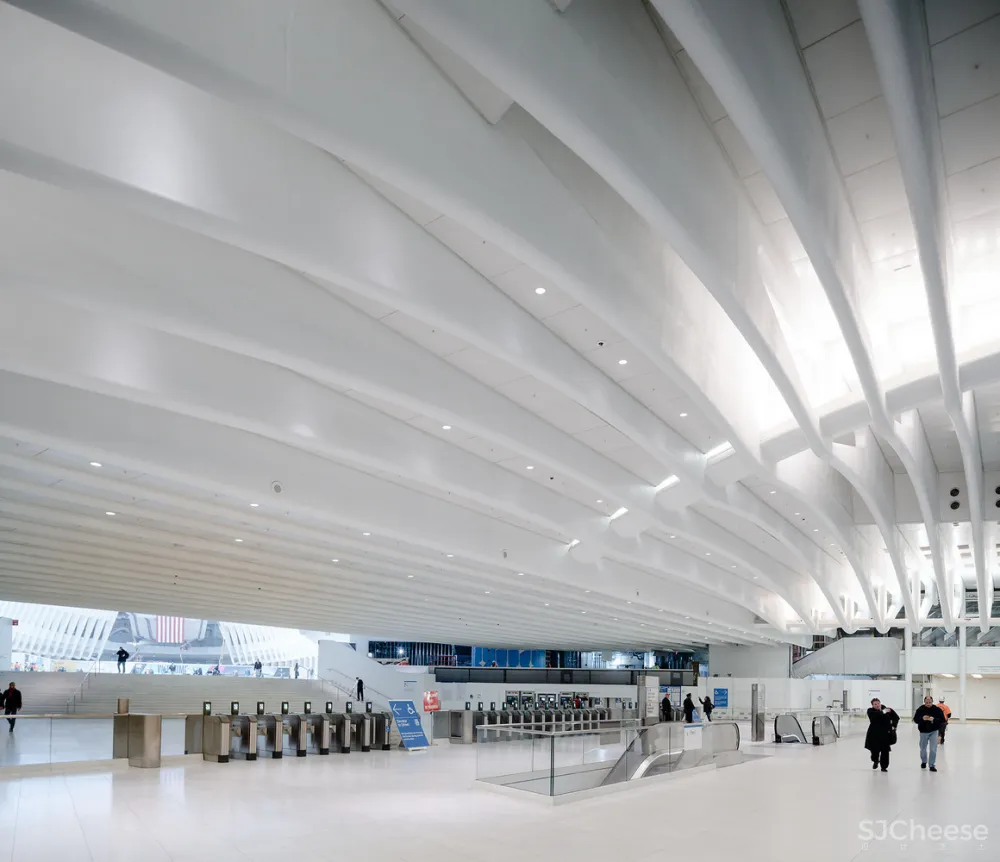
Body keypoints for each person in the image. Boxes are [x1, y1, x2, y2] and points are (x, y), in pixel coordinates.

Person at [865, 698, 898, 772]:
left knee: (885, 751)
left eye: (878, 703)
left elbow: (896, 718)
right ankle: (875, 760)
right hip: (874, 735)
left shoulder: (888, 710)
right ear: (872, 705)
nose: (877, 705)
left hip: (885, 734)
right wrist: (883, 712)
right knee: (874, 751)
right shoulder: (870, 711)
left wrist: (894, 726)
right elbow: (873, 717)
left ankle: (884, 766)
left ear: (880, 703)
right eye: (875, 704)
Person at [913, 695, 945, 771]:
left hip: (934, 731)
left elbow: (942, 720)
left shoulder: (937, 710)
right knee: (923, 748)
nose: (928, 704)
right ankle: (924, 761)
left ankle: (931, 765)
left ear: (932, 702)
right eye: (926, 702)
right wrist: (922, 718)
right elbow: (915, 720)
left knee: (933, 749)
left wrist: (934, 719)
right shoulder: (920, 709)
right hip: (923, 732)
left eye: (929, 702)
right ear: (924, 702)